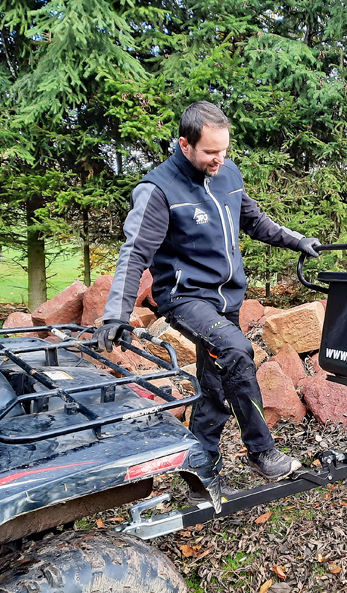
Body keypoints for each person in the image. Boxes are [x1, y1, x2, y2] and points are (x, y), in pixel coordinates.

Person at [95, 101, 320, 496]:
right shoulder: (158, 190)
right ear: (185, 145)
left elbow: (254, 220)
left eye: (224, 150)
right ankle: (262, 453)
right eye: (210, 152)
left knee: (215, 384)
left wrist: (297, 240)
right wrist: (115, 313)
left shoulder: (227, 173)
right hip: (187, 298)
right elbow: (134, 254)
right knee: (236, 350)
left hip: (227, 299)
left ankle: (199, 476)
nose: (220, 159)